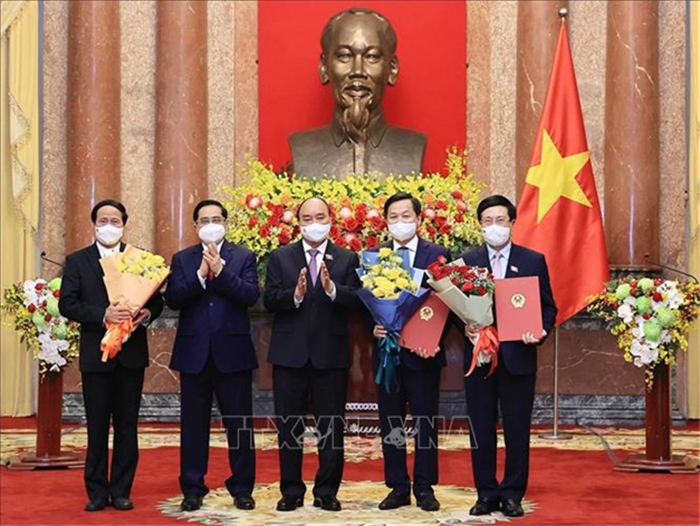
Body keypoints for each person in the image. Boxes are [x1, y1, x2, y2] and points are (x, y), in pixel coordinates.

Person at [59, 199, 163, 512]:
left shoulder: (140, 259)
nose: (109, 226)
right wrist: (102, 314)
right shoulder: (78, 261)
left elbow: (157, 301)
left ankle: (121, 490)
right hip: (97, 355)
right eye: (103, 220)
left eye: (115, 221)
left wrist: (146, 313)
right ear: (94, 225)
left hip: (131, 355)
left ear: (124, 224)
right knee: (97, 426)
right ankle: (96, 491)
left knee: (127, 426)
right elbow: (68, 304)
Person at [459, 195, 557, 518]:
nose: (494, 226)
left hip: (519, 359)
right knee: (481, 429)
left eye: (500, 220)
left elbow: (548, 307)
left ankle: (513, 493)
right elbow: (456, 310)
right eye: (487, 221)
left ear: (513, 223)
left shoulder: (532, 261)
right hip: (480, 359)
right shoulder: (467, 262)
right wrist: (466, 328)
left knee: (517, 430)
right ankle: (486, 493)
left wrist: (540, 330)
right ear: (479, 225)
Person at [264, 196, 361, 512]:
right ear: (298, 223)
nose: (314, 223)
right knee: (289, 428)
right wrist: (294, 295)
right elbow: (269, 299)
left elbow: (358, 300)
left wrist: (332, 290)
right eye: (307, 218)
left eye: (320, 217)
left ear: (331, 220)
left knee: (331, 428)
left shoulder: (346, 258)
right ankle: (291, 491)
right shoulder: (281, 257)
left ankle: (326, 491)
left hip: (330, 356)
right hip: (289, 356)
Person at [165, 199, 259, 512]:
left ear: (226, 223)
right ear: (195, 226)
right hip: (194, 354)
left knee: (239, 426)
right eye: (204, 220)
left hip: (233, 354)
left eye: (216, 219)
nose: (210, 224)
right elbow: (174, 298)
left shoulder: (243, 256)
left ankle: (242, 488)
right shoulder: (182, 259)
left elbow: (250, 295)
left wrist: (220, 271)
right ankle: (192, 489)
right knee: (193, 427)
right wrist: (201, 275)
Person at [369, 192, 449, 512]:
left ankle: (425, 487)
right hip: (389, 354)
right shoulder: (374, 256)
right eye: (393, 216)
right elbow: (366, 303)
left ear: (418, 219)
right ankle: (398, 486)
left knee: (425, 421)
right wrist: (373, 327)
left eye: (406, 216)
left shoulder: (437, 255)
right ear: (385, 221)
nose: (400, 221)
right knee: (391, 422)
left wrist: (437, 337)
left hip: (424, 354)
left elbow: (449, 302)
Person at [289, 7, 426, 179]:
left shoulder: (413, 146)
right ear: (324, 68)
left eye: (372, 57)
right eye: (344, 56)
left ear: (392, 69)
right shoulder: (302, 147)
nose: (358, 71)